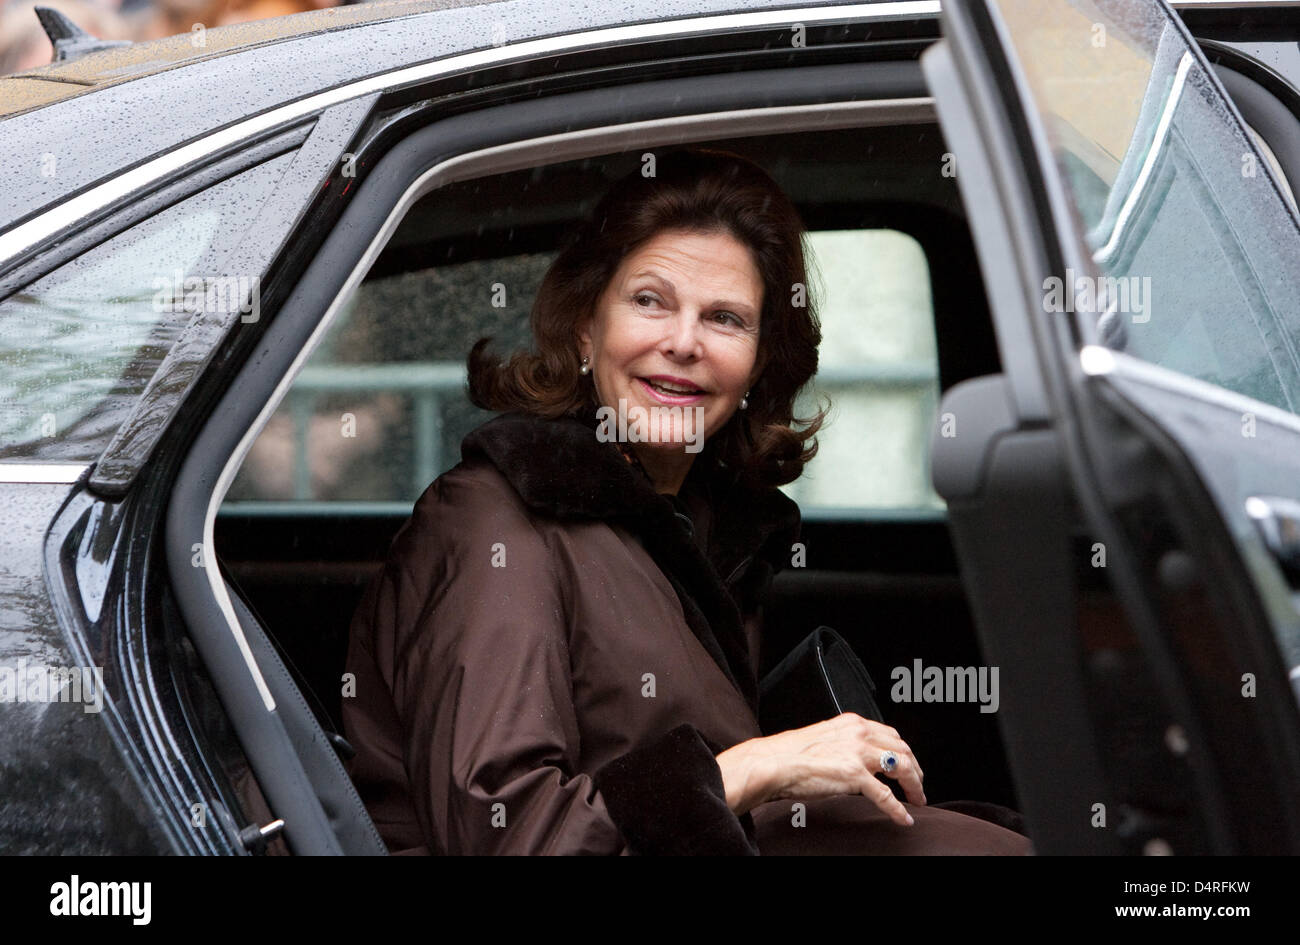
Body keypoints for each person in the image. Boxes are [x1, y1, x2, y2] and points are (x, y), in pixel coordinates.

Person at [341, 147, 1032, 855]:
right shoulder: (500, 515)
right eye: (650, 301)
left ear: (759, 361)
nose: (683, 342)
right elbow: (512, 833)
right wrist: (757, 765)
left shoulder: (691, 523)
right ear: (585, 327)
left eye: (726, 319)